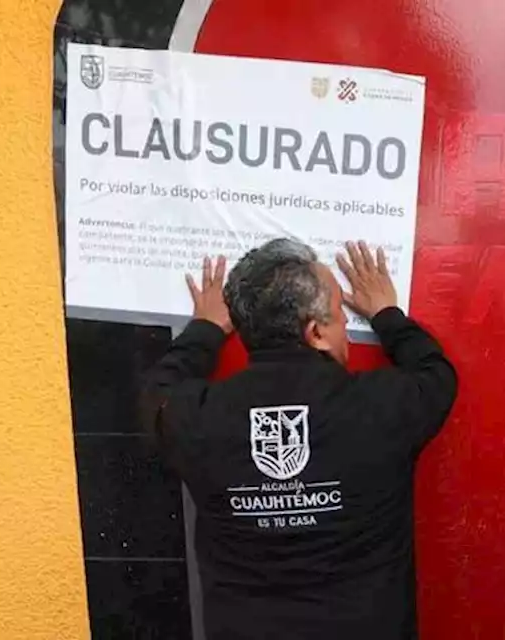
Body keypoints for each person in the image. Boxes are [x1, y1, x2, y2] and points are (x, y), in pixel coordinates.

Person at [139, 238, 457, 639]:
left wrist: (204, 329)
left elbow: (158, 390)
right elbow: (436, 374)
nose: (344, 326)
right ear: (316, 332)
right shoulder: (382, 407)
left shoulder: (196, 417)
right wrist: (387, 315)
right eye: (339, 313)